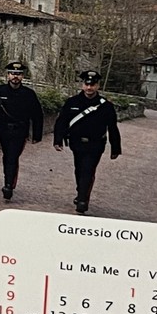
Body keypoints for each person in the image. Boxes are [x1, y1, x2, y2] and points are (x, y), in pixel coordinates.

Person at [53, 70, 122, 214]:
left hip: (96, 144)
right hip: (77, 143)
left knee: (88, 170)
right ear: (82, 85)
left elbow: (112, 127)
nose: (89, 87)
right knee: (79, 169)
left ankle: (83, 200)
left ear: (97, 86)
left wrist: (115, 148)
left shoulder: (105, 106)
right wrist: (57, 140)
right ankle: (81, 192)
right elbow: (62, 121)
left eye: (93, 85)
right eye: (87, 84)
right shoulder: (72, 102)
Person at [0, 60, 44, 202]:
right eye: (13, 73)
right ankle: (8, 180)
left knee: (12, 156)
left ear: (22, 76)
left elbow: (37, 115)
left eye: (18, 74)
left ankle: (8, 185)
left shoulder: (29, 94)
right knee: (7, 155)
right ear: (8, 75)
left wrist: (37, 135)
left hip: (20, 131)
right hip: (2, 130)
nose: (15, 76)